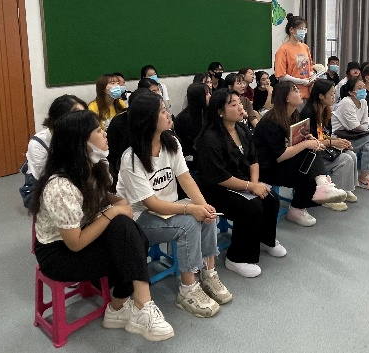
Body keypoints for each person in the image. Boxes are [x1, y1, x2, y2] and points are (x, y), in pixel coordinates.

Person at [29, 110, 174, 343]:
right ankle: (133, 306)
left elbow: (98, 197)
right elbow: (75, 244)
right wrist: (112, 212)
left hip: (84, 232)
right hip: (59, 253)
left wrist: (115, 201)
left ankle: (124, 306)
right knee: (127, 244)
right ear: (81, 142)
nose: (105, 134)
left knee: (132, 235)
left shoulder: (92, 166)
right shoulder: (60, 186)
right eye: (98, 130)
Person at [117, 91, 232, 318]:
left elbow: (185, 178)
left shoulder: (171, 142)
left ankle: (208, 273)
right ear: (148, 120)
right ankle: (187, 290)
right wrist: (190, 209)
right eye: (162, 111)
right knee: (189, 224)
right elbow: (151, 203)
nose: (168, 114)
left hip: (168, 208)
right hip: (140, 217)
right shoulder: (131, 159)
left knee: (207, 215)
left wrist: (203, 206)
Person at [195, 89, 284, 278]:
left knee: (271, 199)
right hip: (216, 189)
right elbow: (219, 177)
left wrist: (254, 184)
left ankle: (266, 240)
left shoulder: (241, 129)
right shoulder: (210, 138)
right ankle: (236, 258)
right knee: (252, 207)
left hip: (243, 182)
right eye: (233, 104)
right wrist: (251, 187)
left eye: (239, 103)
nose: (239, 107)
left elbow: (253, 159)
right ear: (220, 111)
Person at [252, 82, 347, 227]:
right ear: (286, 98)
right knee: (309, 167)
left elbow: (295, 141)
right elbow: (280, 155)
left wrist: (308, 139)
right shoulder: (271, 121)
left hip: (284, 162)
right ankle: (305, 201)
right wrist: (306, 144)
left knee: (311, 158)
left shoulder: (294, 114)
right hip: (267, 168)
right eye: (295, 91)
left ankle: (307, 199)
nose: (300, 93)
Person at [20, 94, 87, 207]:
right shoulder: (38, 143)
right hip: (45, 181)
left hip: (71, 176)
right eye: (77, 115)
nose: (83, 120)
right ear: (60, 118)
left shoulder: (82, 134)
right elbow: (46, 179)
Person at [300, 80, 358, 210]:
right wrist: (332, 142)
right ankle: (330, 196)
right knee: (345, 159)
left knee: (351, 154)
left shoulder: (325, 111)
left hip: (323, 148)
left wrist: (340, 142)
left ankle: (344, 189)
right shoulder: (308, 113)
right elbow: (310, 141)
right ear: (321, 96)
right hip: (312, 154)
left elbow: (324, 135)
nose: (333, 97)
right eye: (331, 94)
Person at [332, 78, 369, 191]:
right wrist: (363, 127)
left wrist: (363, 127)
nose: (363, 90)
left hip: (355, 134)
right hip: (341, 136)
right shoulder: (346, 103)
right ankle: (363, 178)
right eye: (359, 88)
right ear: (351, 92)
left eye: (363, 87)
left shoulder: (363, 102)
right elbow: (354, 127)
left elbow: (366, 122)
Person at [274, 13, 314, 101]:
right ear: (291, 29)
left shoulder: (305, 47)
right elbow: (281, 76)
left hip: (307, 93)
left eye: (305, 29)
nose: (303, 31)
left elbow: (310, 68)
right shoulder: (283, 49)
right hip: (292, 94)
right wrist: (303, 81)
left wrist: (312, 76)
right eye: (301, 28)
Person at [174, 83, 210, 173]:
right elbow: (191, 145)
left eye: (209, 93)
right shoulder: (184, 119)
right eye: (206, 94)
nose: (210, 96)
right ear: (198, 97)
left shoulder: (206, 112)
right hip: (191, 162)